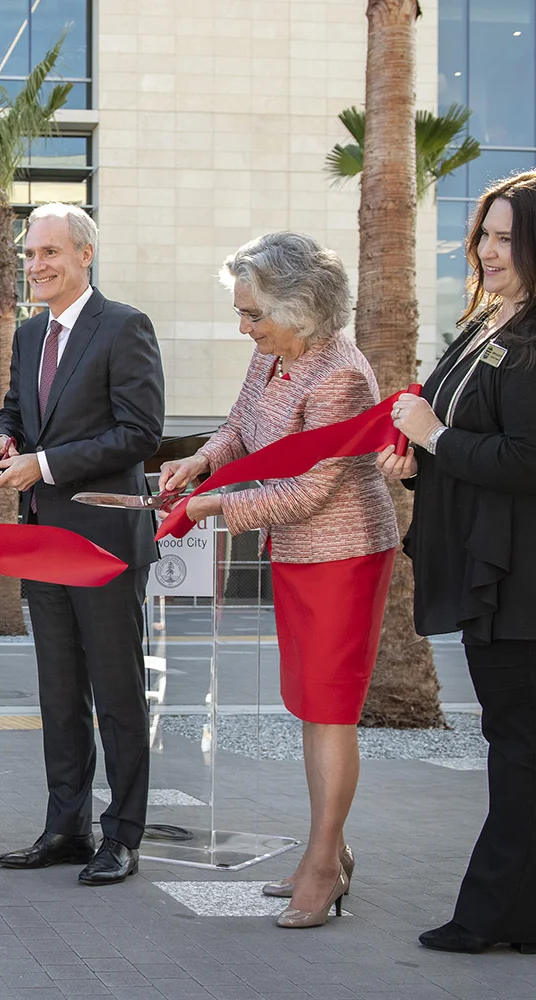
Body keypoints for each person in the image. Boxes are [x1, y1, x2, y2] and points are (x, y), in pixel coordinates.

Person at [381, 169, 536, 954]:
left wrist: (436, 438)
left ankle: (498, 917)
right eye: (485, 231)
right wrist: (420, 449)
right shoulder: (497, 321)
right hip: (509, 564)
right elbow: (459, 422)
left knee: (526, 739)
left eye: (508, 236)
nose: (488, 248)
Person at [161, 233, 398, 928]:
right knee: (309, 707)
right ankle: (328, 849)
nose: (245, 329)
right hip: (297, 553)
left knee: (329, 712)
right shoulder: (274, 352)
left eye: (253, 315)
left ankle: (323, 866)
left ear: (302, 310)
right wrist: (200, 463)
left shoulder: (342, 378)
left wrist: (212, 508)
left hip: (344, 554)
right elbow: (239, 427)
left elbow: (307, 493)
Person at [0, 203, 165, 886]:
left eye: (49, 253)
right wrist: (7, 438)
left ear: (85, 254)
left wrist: (47, 464)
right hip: (43, 542)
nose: (35, 266)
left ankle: (122, 836)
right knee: (59, 696)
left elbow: (141, 432)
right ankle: (65, 827)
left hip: (104, 542)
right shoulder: (30, 336)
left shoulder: (124, 326)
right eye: (30, 254)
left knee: (117, 695)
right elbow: (16, 408)